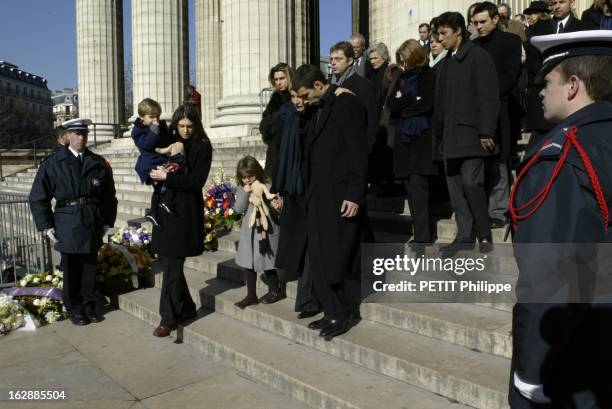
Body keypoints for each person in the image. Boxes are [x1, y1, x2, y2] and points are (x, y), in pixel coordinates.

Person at [508, 30, 612, 408]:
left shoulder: (563, 155)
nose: (539, 91)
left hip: (575, 361)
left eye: (546, 82)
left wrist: (531, 370)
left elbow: (552, 272)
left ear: (572, 85)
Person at [293, 64, 368, 341]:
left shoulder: (346, 103)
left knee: (336, 256)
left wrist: (354, 194)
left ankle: (343, 312)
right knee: (321, 256)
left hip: (340, 195)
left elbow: (358, 151)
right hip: (318, 195)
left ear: (317, 85)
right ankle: (330, 309)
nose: (301, 100)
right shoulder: (315, 109)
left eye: (303, 94)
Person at [29, 118, 118, 326]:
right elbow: (38, 197)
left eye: (84, 134)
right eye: (76, 134)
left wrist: (106, 220)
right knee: (71, 267)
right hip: (67, 220)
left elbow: (108, 196)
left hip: (90, 219)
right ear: (67, 136)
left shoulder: (98, 163)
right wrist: (47, 225)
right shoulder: (53, 163)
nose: (81, 138)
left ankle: (89, 305)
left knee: (89, 266)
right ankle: (74, 307)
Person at [433, 11, 500, 253]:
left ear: (458, 31)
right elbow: (439, 105)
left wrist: (486, 131)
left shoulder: (479, 57)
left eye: (444, 33)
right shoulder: (445, 64)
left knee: (472, 184)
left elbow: (489, 97)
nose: (440, 38)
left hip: (473, 136)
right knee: (456, 190)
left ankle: (484, 234)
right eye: (438, 34)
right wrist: (438, 136)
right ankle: (464, 237)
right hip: (450, 138)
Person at [148, 105, 213, 338]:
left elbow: (196, 181)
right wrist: (153, 173)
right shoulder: (170, 142)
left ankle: (167, 319)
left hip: (184, 214)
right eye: (181, 126)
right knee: (168, 263)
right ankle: (185, 308)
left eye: (189, 126)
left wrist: (169, 177)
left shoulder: (202, 146)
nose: (185, 130)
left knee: (172, 266)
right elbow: (149, 159)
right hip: (164, 210)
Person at [472, 1, 523, 229]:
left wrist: (485, 96)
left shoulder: (511, 41)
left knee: (500, 163)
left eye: (483, 21)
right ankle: (482, 209)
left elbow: (510, 75)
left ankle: (498, 210)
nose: (479, 26)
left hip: (502, 110)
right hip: (475, 113)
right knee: (481, 165)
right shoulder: (472, 46)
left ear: (495, 19)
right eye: (475, 22)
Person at [271, 90, 321, 318]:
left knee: (309, 244)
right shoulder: (287, 117)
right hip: (292, 188)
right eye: (293, 96)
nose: (297, 100)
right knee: (300, 244)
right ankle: (307, 298)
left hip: (313, 187)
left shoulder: (316, 114)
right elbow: (278, 153)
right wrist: (278, 190)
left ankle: (307, 299)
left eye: (301, 95)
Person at [387, 39, 439, 245]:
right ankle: (420, 233)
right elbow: (391, 104)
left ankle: (423, 236)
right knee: (410, 186)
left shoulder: (429, 75)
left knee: (419, 185)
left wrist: (404, 103)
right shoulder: (400, 77)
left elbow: (427, 103)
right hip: (405, 140)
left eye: (405, 59)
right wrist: (410, 99)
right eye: (401, 61)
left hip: (422, 138)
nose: (403, 64)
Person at [232, 156, 283, 308]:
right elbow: (239, 208)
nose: (248, 180)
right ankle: (251, 295)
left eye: (251, 176)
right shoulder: (243, 188)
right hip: (250, 229)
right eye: (244, 177)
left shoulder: (268, 184)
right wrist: (244, 191)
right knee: (248, 263)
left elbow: (276, 206)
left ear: (258, 173)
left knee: (268, 261)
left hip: (267, 228)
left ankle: (276, 290)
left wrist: (275, 202)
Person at [131, 98, 175, 226]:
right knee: (159, 186)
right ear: (141, 117)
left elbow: (168, 139)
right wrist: (154, 130)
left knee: (167, 181)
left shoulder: (159, 124)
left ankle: (159, 208)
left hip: (163, 159)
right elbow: (147, 144)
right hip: (149, 164)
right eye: (151, 117)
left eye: (157, 116)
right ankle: (155, 211)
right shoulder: (137, 131)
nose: (155, 120)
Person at [260, 63, 293, 180]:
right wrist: (272, 127)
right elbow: (264, 124)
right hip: (274, 151)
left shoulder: (295, 96)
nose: (279, 82)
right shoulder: (275, 98)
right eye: (276, 79)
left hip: (290, 151)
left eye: (282, 78)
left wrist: (274, 124)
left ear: (289, 78)